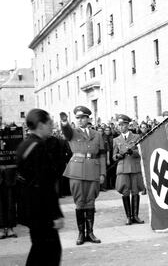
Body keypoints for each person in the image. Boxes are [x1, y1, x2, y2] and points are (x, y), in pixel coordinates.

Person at [16, 109, 64, 265]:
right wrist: (55, 214)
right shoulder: (38, 147)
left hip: (30, 209)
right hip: (42, 212)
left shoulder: (24, 145)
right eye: (49, 123)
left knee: (39, 250)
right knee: (51, 252)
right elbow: (45, 185)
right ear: (40, 125)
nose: (52, 126)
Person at [60, 106, 106, 245]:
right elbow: (66, 131)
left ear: (88, 118)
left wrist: (102, 172)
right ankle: (81, 234)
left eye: (83, 117)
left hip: (93, 169)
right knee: (79, 202)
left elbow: (102, 154)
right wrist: (64, 122)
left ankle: (90, 233)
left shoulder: (97, 134)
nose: (80, 120)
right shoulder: (72, 133)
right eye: (77, 118)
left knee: (91, 200)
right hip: (77, 171)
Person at [113, 114, 145, 225]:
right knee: (125, 191)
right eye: (119, 125)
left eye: (123, 125)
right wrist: (117, 156)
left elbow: (141, 152)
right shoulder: (116, 139)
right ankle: (128, 217)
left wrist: (133, 152)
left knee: (135, 191)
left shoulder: (136, 137)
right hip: (122, 168)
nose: (120, 127)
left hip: (134, 167)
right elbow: (113, 156)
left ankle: (135, 215)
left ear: (127, 125)